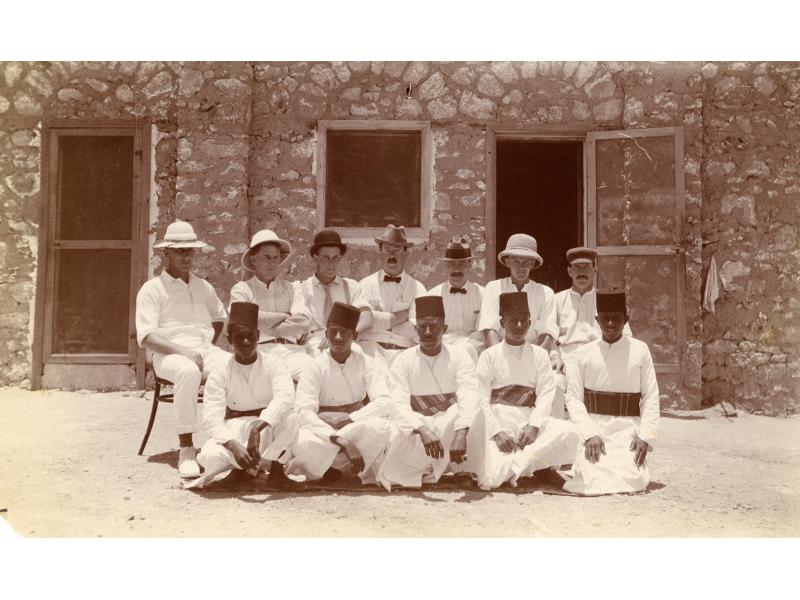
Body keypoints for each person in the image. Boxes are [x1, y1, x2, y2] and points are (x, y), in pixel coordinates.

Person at [286, 302, 418, 490]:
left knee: (382, 428)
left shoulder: (368, 363)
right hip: (323, 428)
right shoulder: (314, 367)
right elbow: (303, 410)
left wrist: (350, 418)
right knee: (303, 440)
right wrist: (340, 438)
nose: (338, 337)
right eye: (333, 332)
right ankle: (330, 471)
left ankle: (352, 472)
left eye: (345, 332)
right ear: (326, 334)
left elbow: (384, 401)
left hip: (355, 425)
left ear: (355, 336)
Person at [135, 219, 228, 478]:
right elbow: (147, 336)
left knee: (234, 366)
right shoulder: (152, 289)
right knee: (188, 372)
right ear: (166, 252)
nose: (187, 256)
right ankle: (186, 449)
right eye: (180, 251)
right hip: (168, 355)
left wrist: (208, 344)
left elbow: (219, 317)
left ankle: (226, 442)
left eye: (190, 250)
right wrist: (184, 352)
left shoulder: (202, 286)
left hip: (203, 351)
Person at [184, 302, 299, 490]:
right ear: (229, 340)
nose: (246, 342)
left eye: (250, 336)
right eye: (239, 337)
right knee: (210, 455)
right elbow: (212, 417)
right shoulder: (221, 370)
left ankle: (276, 472)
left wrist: (257, 428)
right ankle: (241, 471)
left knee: (291, 419)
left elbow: (285, 397)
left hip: (267, 427)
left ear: (259, 336)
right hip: (236, 428)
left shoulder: (274, 363)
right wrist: (233, 445)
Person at [474, 292, 580, 490]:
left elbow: (547, 393)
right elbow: (481, 398)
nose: (519, 326)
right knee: (491, 479)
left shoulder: (539, 355)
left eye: (524, 321)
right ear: (502, 322)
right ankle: (529, 466)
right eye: (513, 321)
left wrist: (534, 426)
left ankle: (522, 466)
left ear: (530, 323)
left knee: (572, 433)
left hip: (529, 423)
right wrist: (497, 433)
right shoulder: (488, 356)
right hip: (499, 422)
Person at [563, 289, 659, 495]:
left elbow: (651, 395)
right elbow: (573, 397)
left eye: (616, 319)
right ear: (597, 320)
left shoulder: (640, 350)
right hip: (594, 429)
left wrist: (645, 436)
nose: (610, 324)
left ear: (625, 320)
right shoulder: (584, 353)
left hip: (627, 430)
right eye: (605, 319)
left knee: (633, 479)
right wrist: (589, 434)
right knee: (588, 479)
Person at [388, 295, 482, 487]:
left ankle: (461, 468)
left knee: (471, 411)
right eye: (422, 327)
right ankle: (423, 470)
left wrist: (461, 432)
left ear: (444, 329)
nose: (428, 332)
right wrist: (422, 429)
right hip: (419, 429)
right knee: (396, 427)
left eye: (434, 326)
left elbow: (469, 393)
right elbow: (398, 403)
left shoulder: (460, 356)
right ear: (415, 330)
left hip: (450, 426)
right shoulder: (402, 360)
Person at [550, 247, 632, 418]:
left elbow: (626, 335)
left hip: (598, 356)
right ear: (569, 271)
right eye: (577, 268)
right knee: (554, 384)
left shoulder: (606, 299)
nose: (582, 272)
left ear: (594, 270)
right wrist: (555, 356)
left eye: (586, 267)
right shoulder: (557, 300)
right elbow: (549, 335)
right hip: (567, 358)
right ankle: (558, 431)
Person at [229, 229, 312, 381]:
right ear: (254, 260)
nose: (273, 263)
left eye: (276, 258)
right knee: (273, 380)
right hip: (260, 351)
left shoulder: (293, 287)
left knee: (313, 373)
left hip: (293, 351)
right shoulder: (242, 289)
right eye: (267, 257)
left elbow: (303, 323)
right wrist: (285, 316)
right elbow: (244, 322)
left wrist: (261, 324)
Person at [357, 224, 427, 365]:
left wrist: (378, 320)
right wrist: (402, 317)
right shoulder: (365, 285)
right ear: (380, 252)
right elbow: (363, 325)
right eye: (387, 250)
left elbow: (417, 332)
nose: (392, 255)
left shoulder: (418, 289)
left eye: (397, 250)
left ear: (406, 253)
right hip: (371, 349)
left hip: (404, 351)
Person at [478, 233, 558, 354]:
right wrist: (500, 359)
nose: (521, 267)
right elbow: (489, 329)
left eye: (526, 262)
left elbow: (547, 334)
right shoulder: (493, 288)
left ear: (532, 264)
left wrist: (532, 360)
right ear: (507, 262)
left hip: (535, 353)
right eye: (516, 261)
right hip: (500, 352)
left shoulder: (545, 293)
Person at [410, 236, 484, 363]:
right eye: (452, 264)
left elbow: (482, 332)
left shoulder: (482, 293)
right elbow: (422, 330)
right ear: (445, 265)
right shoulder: (433, 295)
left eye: (461, 264)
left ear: (469, 265)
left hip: (472, 350)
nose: (456, 269)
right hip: (442, 349)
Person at [297, 229, 370, 356]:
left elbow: (367, 319)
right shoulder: (301, 288)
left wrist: (344, 336)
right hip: (315, 341)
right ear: (316, 258)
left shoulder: (351, 286)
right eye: (326, 258)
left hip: (346, 339)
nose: (331, 263)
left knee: (358, 356)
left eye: (336, 258)